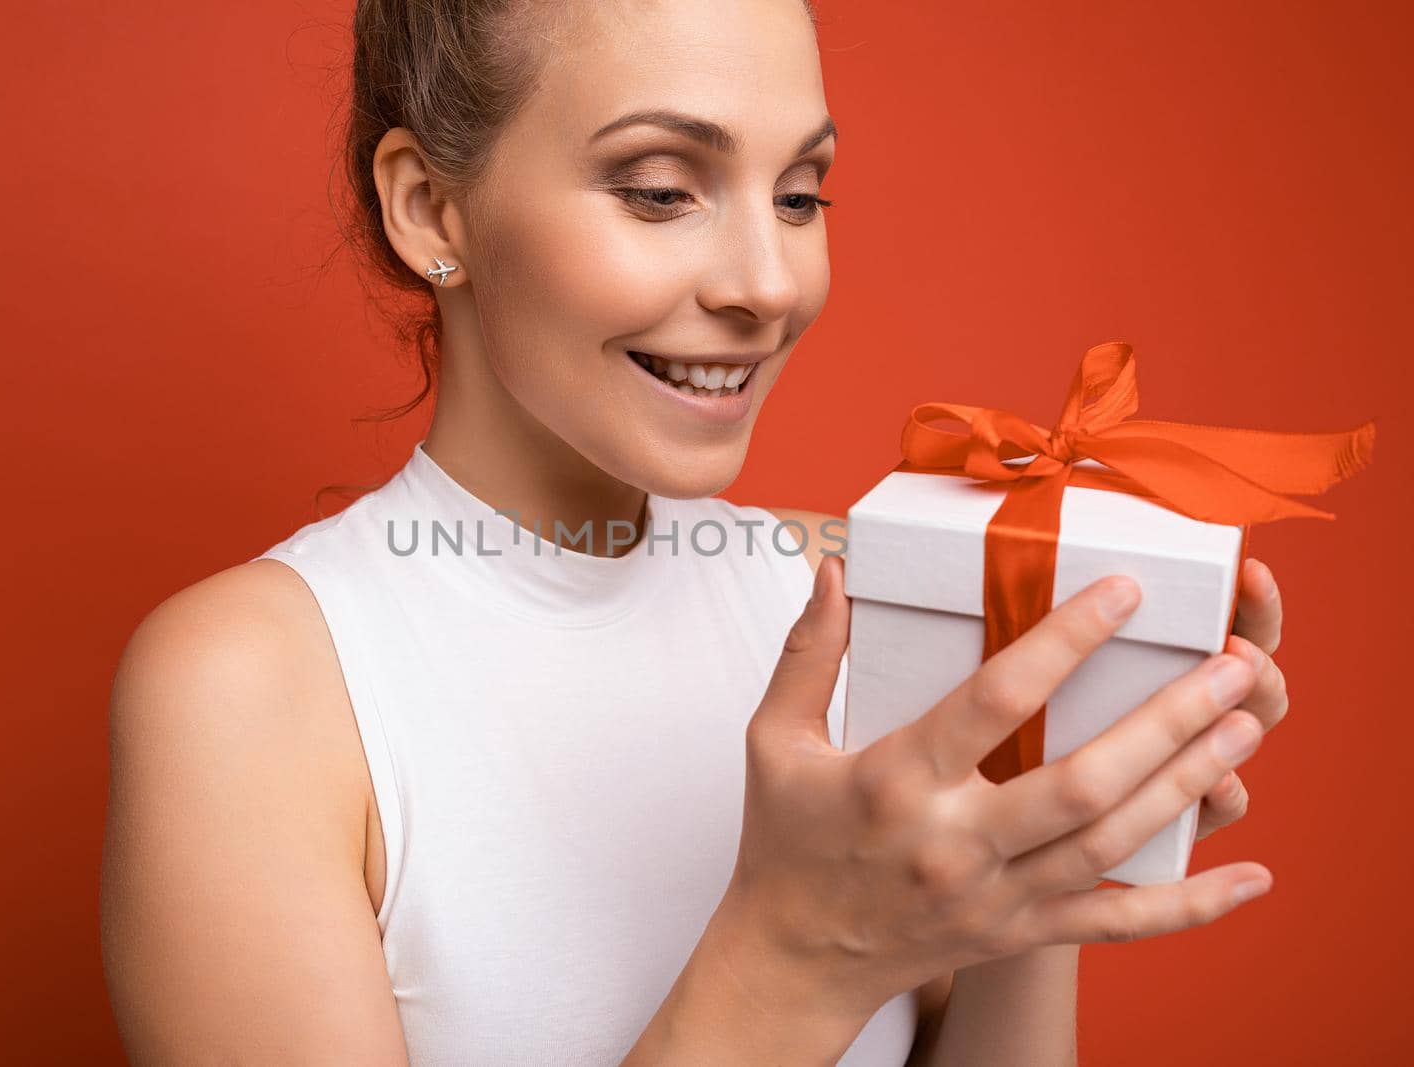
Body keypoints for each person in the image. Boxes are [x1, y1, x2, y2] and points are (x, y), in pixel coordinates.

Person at [100, 1, 1289, 1063]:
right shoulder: (251, 685)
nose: (768, 284)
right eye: (660, 188)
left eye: (800, 195)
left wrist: (1040, 850)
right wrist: (798, 954)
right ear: (429, 207)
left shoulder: (841, 595)